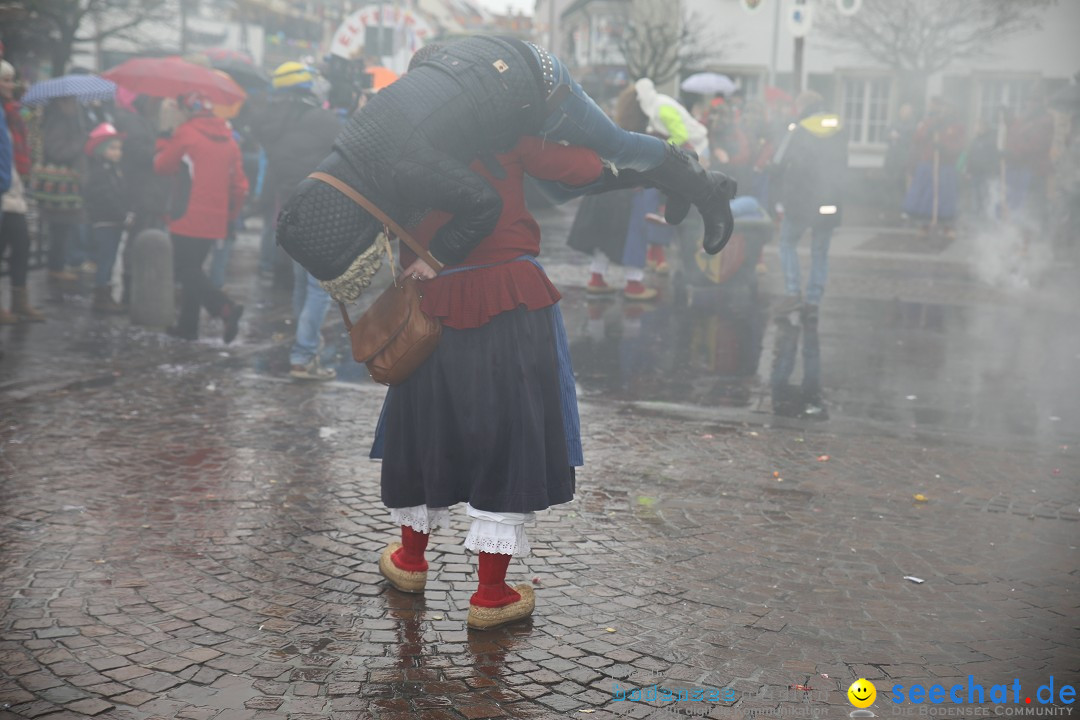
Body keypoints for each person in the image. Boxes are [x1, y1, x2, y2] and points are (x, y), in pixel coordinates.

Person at [276, 36, 737, 301]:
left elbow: (485, 202)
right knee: (561, 189)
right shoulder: (384, 145)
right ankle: (676, 175)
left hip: (538, 86)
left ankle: (702, 186)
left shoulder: (407, 153)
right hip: (506, 89)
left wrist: (434, 257)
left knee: (615, 145)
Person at [372, 134, 601, 630]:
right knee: (506, 431)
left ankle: (411, 562)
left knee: (425, 423)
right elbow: (582, 166)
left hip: (430, 297)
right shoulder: (503, 128)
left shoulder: (405, 140)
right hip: (508, 295)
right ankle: (491, 594)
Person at [252, 61, 345, 380]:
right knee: (319, 286)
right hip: (320, 208)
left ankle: (304, 351)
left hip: (288, 208)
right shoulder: (322, 120)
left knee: (301, 284)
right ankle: (304, 356)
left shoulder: (270, 123)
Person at [154, 92, 248, 343]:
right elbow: (239, 186)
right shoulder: (229, 140)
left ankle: (223, 307)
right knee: (194, 269)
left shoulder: (186, 133)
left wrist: (164, 138)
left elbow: (162, 166)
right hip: (215, 219)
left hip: (186, 213)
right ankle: (188, 326)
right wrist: (231, 216)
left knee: (185, 269)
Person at [770, 91, 848, 319]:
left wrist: (776, 193)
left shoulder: (799, 129)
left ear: (803, 105)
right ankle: (813, 300)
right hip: (830, 199)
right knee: (820, 251)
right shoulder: (839, 129)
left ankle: (793, 292)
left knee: (787, 243)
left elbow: (778, 162)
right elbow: (844, 165)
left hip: (800, 199)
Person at [113, 91, 170, 305]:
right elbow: (138, 153)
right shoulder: (135, 122)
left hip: (150, 191)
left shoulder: (146, 121)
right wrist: (161, 150)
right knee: (137, 239)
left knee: (146, 238)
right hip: (140, 191)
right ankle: (129, 291)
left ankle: (139, 288)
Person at [0, 60, 44, 323]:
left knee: (22, 244)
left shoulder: (12, 112)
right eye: (5, 80)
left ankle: (19, 300)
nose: (11, 85)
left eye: (12, 79)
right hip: (5, 188)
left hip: (12, 188)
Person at [36, 96, 87, 290]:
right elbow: (57, 150)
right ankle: (55, 267)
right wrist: (80, 141)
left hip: (68, 181)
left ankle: (58, 265)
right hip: (59, 184)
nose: (76, 104)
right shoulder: (57, 120)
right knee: (60, 226)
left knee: (64, 226)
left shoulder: (71, 118)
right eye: (72, 101)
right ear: (61, 102)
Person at [82, 123, 128, 313]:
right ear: (102, 150)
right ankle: (101, 294)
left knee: (109, 258)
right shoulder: (101, 172)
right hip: (105, 220)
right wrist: (121, 213)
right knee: (105, 259)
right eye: (113, 148)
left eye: (119, 148)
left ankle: (105, 292)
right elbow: (106, 197)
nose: (118, 152)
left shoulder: (113, 170)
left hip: (113, 220)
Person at [902, 98, 965, 236]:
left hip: (945, 166)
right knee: (926, 197)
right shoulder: (929, 122)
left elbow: (958, 147)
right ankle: (924, 224)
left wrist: (943, 148)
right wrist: (929, 130)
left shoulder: (957, 126)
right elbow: (916, 138)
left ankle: (948, 225)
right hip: (928, 164)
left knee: (946, 197)